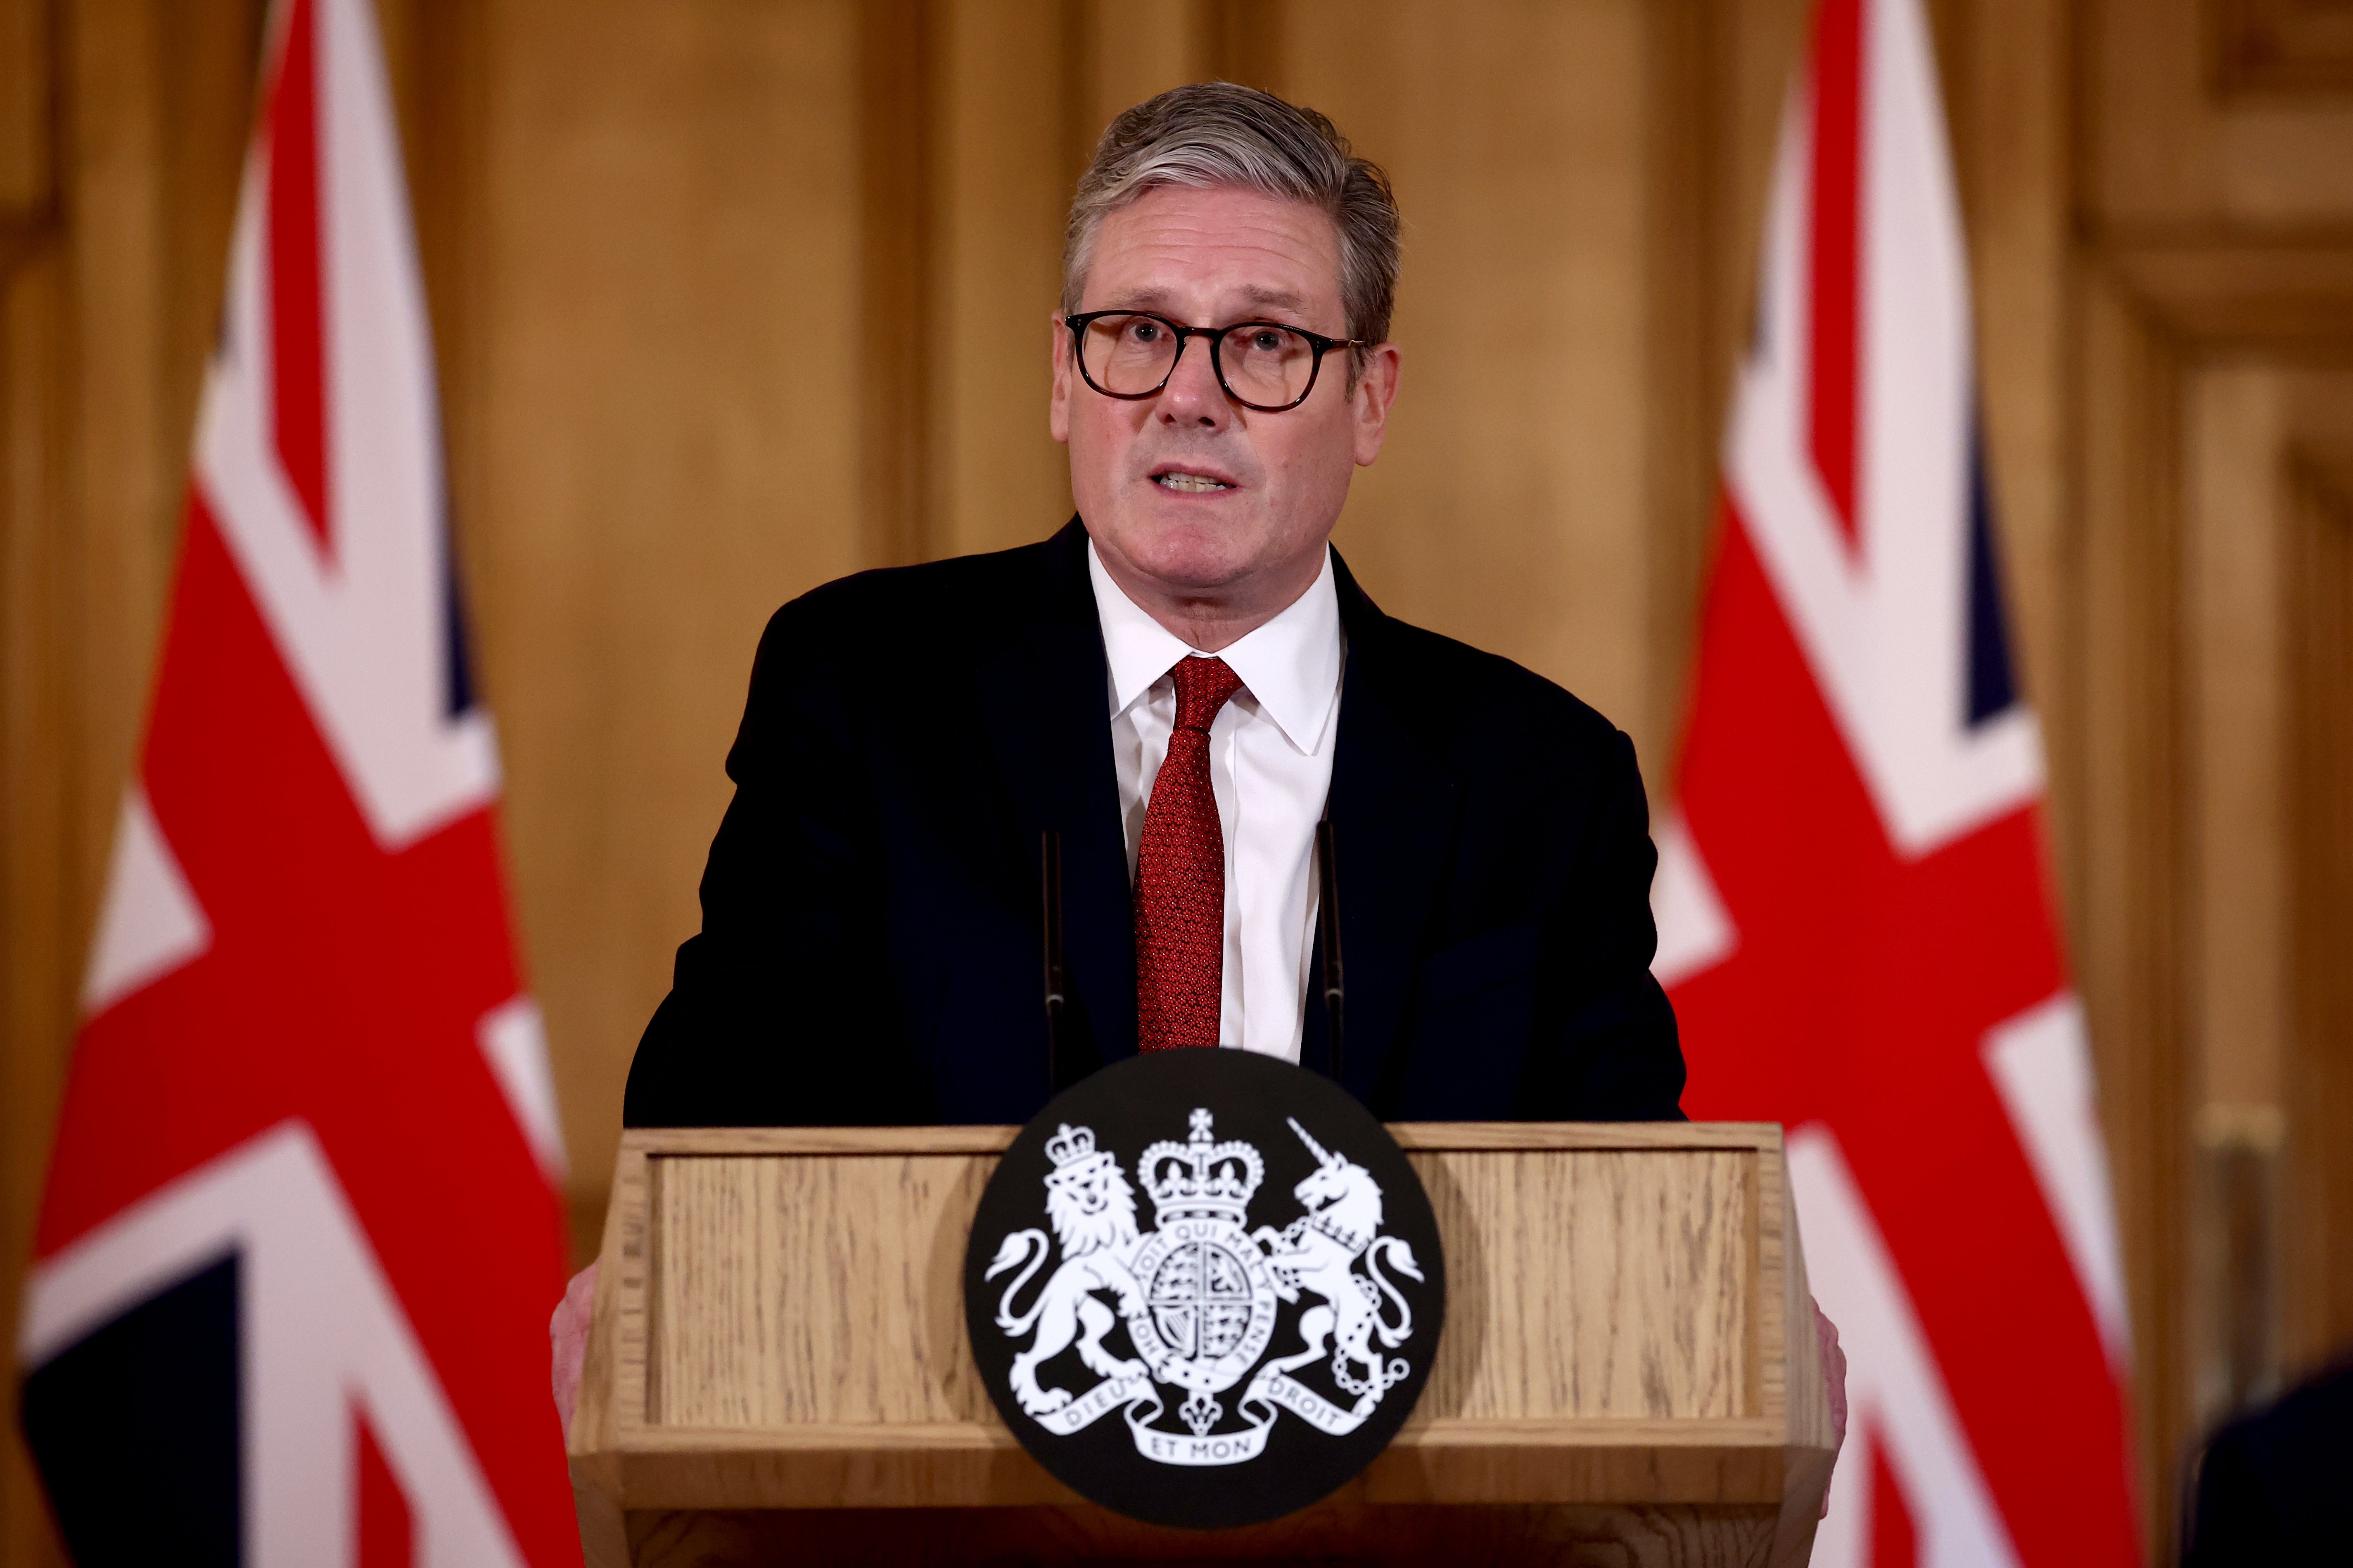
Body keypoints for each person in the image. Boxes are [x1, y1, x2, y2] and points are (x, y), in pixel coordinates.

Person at [619, 83, 1685, 1130]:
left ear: (1370, 398)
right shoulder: (864, 696)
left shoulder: (1544, 781)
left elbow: (1633, 1196)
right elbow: (721, 1103)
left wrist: (1729, 1296)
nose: (1188, 395)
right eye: (1139, 331)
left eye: (1266, 341)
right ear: (1061, 374)